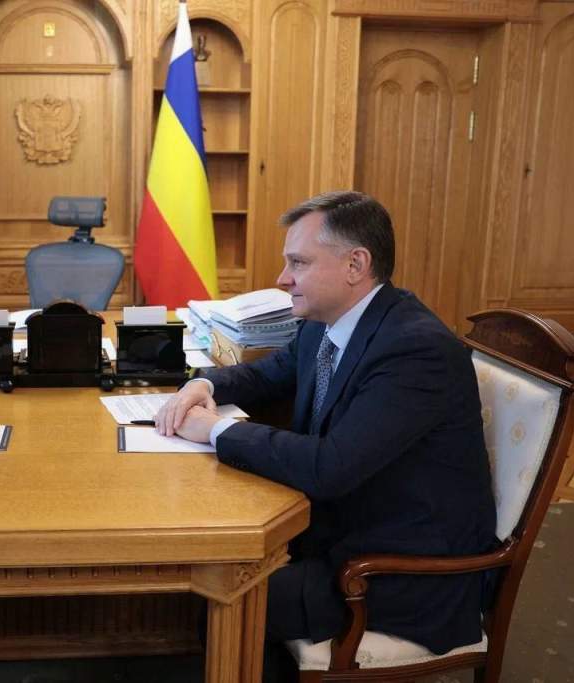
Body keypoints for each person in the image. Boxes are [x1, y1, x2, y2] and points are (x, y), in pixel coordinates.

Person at [155, 191, 496, 672]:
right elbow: (268, 374)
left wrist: (216, 431)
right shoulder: (325, 320)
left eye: (299, 262)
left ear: (356, 264)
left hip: (399, 571)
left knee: (233, 597)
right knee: (219, 567)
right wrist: (203, 385)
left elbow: (329, 467)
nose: (283, 278)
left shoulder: (415, 351)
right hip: (341, 529)